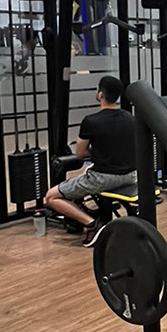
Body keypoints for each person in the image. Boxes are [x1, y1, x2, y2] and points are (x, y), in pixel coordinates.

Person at [43, 76, 136, 247]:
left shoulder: (91, 121)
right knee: (86, 174)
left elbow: (80, 154)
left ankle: (92, 224)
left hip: (103, 178)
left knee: (51, 197)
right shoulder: (130, 117)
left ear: (100, 94)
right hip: (131, 176)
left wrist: (96, 150)